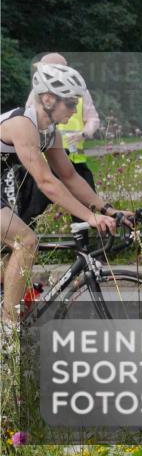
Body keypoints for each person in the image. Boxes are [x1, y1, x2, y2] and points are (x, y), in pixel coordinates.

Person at [1, 64, 130, 325]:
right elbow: (46, 181)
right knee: (25, 241)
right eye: (70, 103)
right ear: (48, 99)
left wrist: (107, 210)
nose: (74, 110)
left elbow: (70, 177)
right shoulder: (22, 125)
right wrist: (89, 217)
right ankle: (8, 330)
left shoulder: (50, 134)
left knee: (9, 261)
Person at [23, 53, 101, 222]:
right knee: (32, 211)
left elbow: (93, 118)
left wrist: (83, 134)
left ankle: (84, 244)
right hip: (44, 161)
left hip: (73, 159)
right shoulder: (38, 95)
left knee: (87, 205)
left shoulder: (81, 93)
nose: (72, 109)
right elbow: (30, 119)